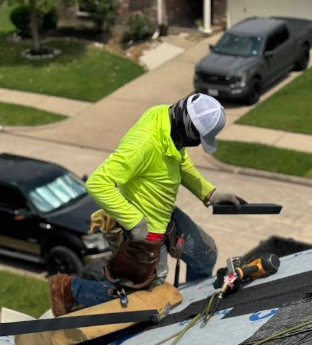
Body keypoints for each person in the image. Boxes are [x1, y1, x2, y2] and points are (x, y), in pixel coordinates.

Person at [48, 93, 242, 317]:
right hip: (142, 229)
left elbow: (179, 160)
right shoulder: (144, 143)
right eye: (197, 139)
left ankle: (193, 303)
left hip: (163, 214)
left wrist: (209, 192)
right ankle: (70, 289)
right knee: (146, 296)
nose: (197, 145)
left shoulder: (168, 121)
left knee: (204, 254)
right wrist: (134, 221)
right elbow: (97, 182)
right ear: (188, 129)